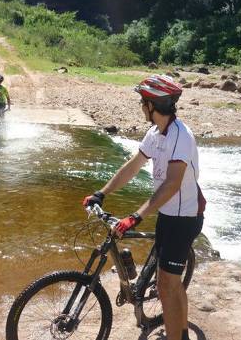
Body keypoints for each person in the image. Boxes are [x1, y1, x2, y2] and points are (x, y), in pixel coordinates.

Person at [82, 74, 205, 340]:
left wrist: (136, 216)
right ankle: (181, 334)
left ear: (152, 105)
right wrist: (101, 193)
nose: (141, 106)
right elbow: (133, 166)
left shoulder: (180, 137)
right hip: (168, 214)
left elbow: (172, 184)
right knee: (169, 283)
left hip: (184, 218)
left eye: (143, 102)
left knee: (166, 285)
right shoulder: (156, 133)